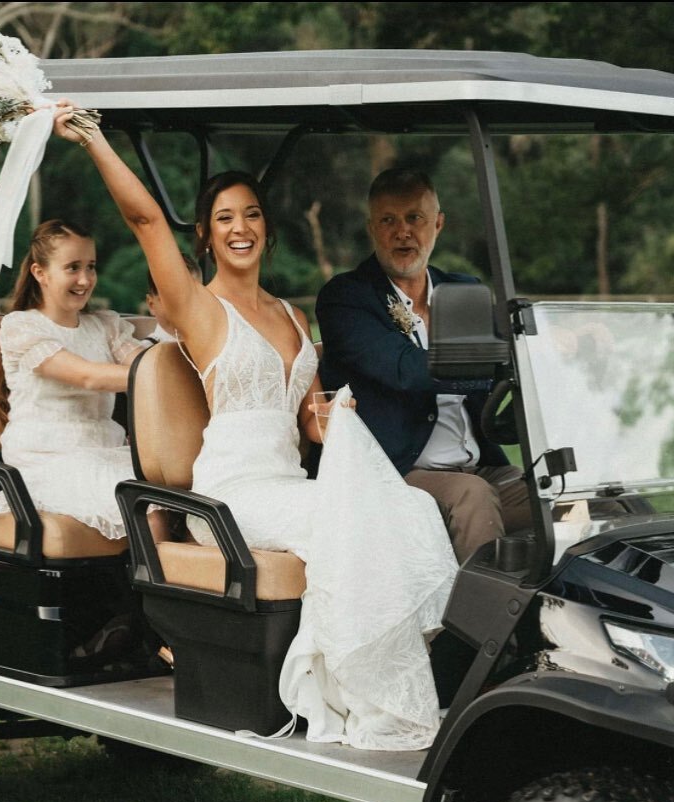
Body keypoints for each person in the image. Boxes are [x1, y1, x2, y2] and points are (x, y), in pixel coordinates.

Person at [54, 104, 458, 751]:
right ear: (206, 236)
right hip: (233, 494)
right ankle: (358, 687)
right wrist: (94, 140)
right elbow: (144, 220)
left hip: (288, 481)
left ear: (266, 228)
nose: (240, 228)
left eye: (251, 214)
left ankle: (386, 676)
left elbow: (305, 412)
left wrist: (326, 418)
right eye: (224, 219)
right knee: (349, 520)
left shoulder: (294, 316)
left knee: (409, 510)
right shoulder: (200, 309)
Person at [316, 167, 531, 564]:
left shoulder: (465, 291)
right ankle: (477, 624)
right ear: (371, 228)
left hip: (479, 468)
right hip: (398, 473)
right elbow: (405, 370)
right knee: (473, 497)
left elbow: (514, 354)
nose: (403, 232)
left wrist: (555, 343)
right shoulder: (347, 298)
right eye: (388, 220)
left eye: (414, 218)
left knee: (568, 493)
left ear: (438, 223)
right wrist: (495, 363)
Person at [0, 218, 146, 540]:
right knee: (151, 509)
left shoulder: (105, 326)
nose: (85, 279)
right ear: (40, 273)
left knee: (182, 488)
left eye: (91, 267)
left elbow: (145, 363)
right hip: (49, 461)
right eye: (72, 267)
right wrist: (156, 377)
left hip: (103, 453)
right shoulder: (23, 328)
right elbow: (88, 377)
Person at [141, 253, 202, 345]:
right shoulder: (145, 351)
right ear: (151, 305)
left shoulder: (213, 343)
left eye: (192, 296)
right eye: (171, 298)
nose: (183, 306)